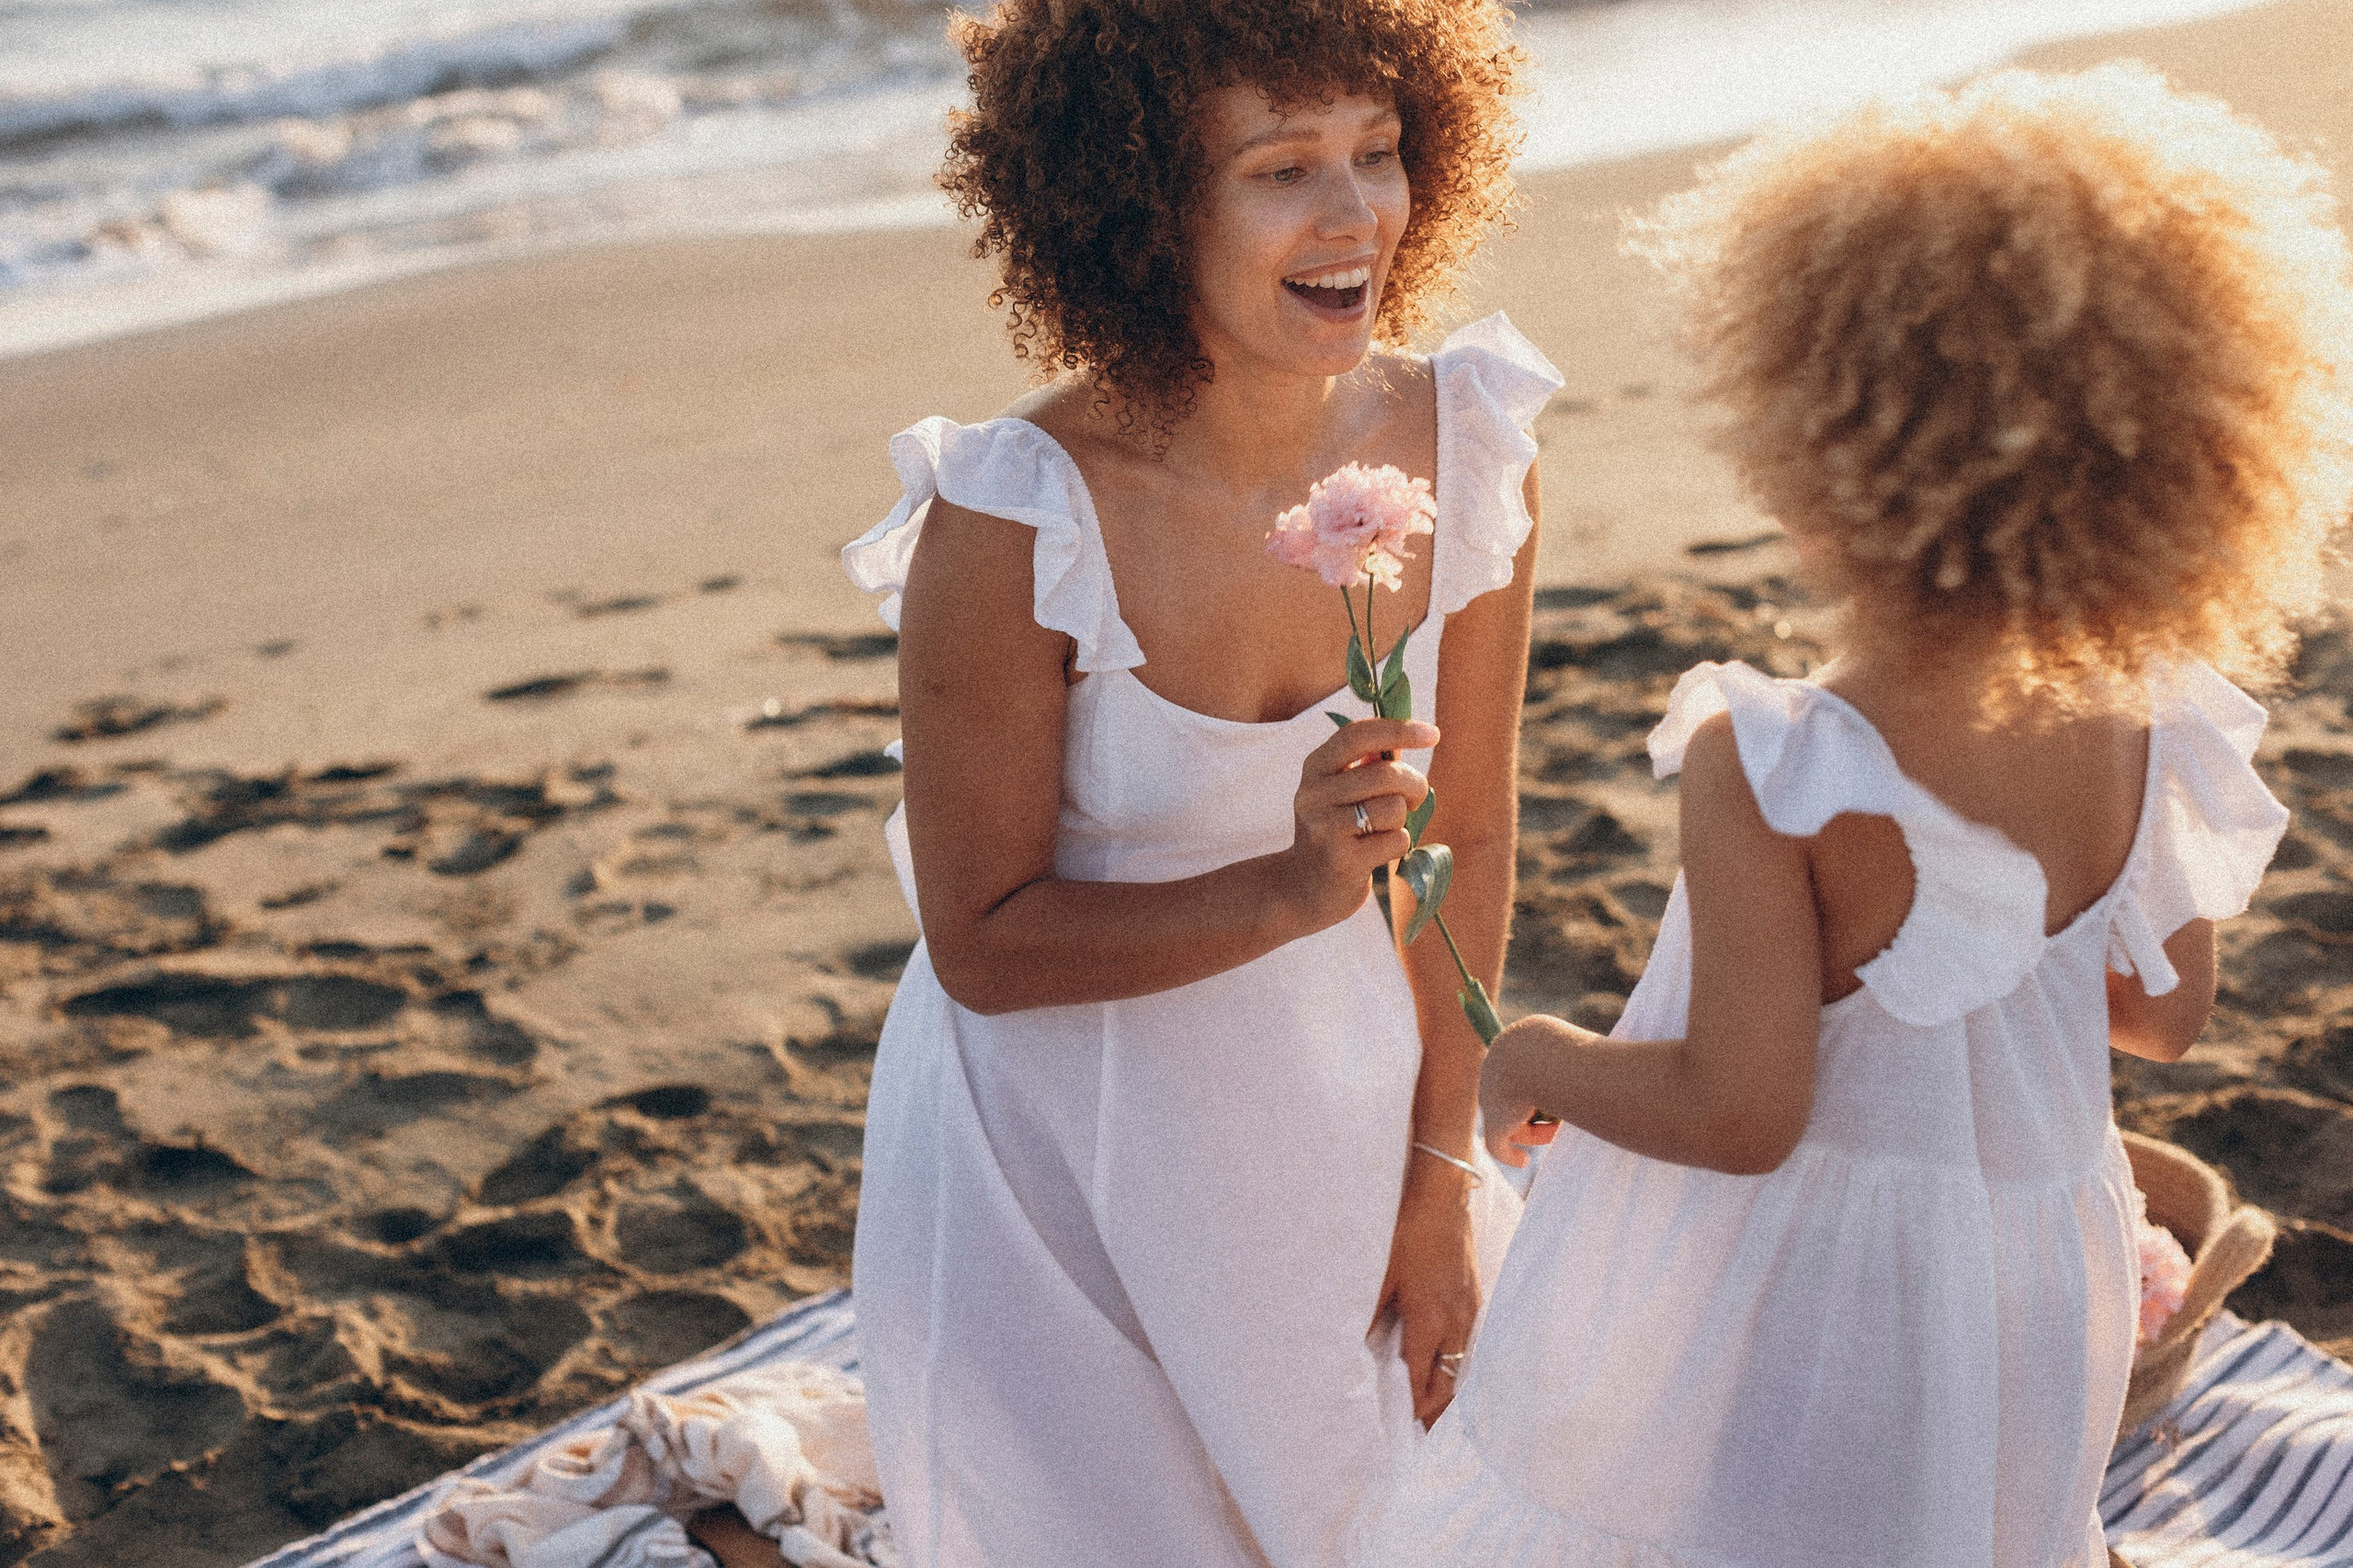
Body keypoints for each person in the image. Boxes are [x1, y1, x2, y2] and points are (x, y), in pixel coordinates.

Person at [1366, 65, 2353, 1568]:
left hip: (1821, 1286)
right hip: (2034, 1267)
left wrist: (1541, 1059)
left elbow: (1743, 1112)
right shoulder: (2157, 714)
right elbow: (2160, 1011)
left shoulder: (1782, 758)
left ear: (1822, 437)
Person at [835, 2, 1554, 1565]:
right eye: (1282, 169)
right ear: (1142, 203)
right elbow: (983, 942)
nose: (1355, 212)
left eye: (1378, 152)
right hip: (1058, 1163)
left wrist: (1439, 1178)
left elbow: (1474, 831)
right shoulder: (1015, 517)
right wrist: (1293, 890)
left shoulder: (1472, 445)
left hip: (1354, 1097)